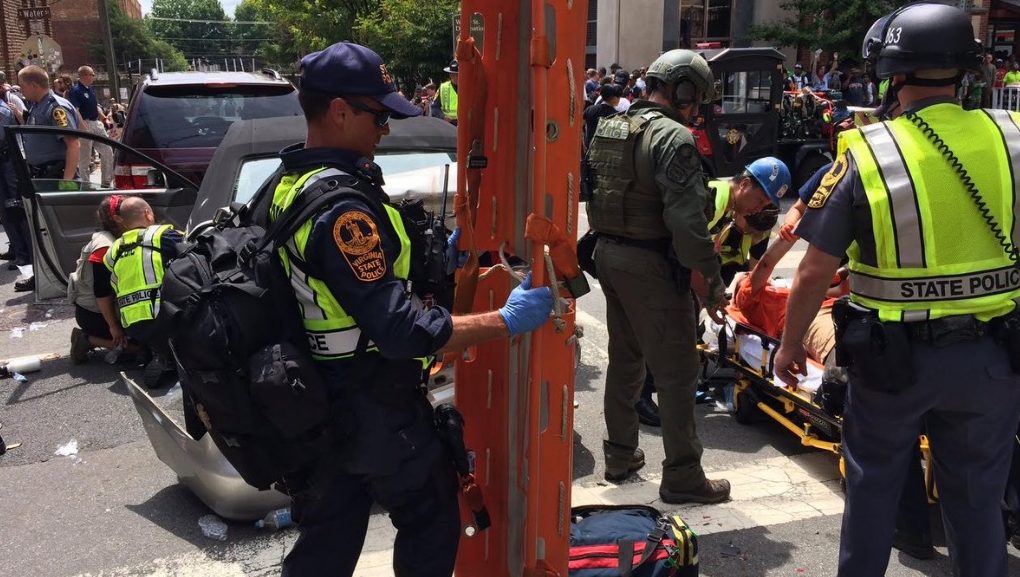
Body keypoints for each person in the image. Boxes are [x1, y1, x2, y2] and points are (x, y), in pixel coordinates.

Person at [272, 42, 553, 577]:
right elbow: (401, 330)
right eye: (377, 116)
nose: (385, 129)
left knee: (330, 535)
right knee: (429, 515)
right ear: (338, 111)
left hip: (313, 399)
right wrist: (504, 320)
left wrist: (440, 261)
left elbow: (343, 280)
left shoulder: (287, 186)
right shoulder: (343, 210)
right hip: (369, 400)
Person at [774, 4, 1020, 575]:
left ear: (893, 72)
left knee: (872, 495)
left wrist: (789, 346)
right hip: (992, 361)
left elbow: (813, 271)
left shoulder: (868, 151)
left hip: (893, 366)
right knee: (977, 503)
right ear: (966, 69)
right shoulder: (1011, 138)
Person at [586, 49, 733, 504]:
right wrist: (711, 285)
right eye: (695, 99)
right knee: (678, 372)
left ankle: (621, 454)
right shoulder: (674, 138)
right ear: (684, 89)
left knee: (626, 358)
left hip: (608, 254)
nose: (696, 109)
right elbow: (689, 229)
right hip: (651, 263)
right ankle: (684, 474)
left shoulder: (611, 125)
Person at [99, 195, 183, 383]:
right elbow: (191, 250)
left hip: (131, 324)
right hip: (162, 318)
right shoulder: (161, 235)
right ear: (148, 214)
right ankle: (169, 358)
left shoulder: (113, 250)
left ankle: (152, 351)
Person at [15, 65, 79, 293]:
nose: (21, 91)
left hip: (56, 175)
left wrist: (68, 181)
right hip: (42, 175)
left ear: (33, 85)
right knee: (40, 229)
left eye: (22, 86)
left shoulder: (55, 108)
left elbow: (73, 143)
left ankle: (67, 278)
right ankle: (45, 277)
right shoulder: (37, 107)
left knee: (57, 230)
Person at [69, 195, 138, 363]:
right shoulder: (105, 247)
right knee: (144, 350)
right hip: (95, 314)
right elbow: (102, 292)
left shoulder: (122, 237)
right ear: (119, 219)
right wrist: (114, 327)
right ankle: (86, 339)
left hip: (112, 308)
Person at [68, 66, 113, 187]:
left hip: (96, 123)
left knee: (108, 151)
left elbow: (96, 106)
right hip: (85, 123)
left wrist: (104, 118)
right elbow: (75, 110)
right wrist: (83, 126)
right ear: (85, 75)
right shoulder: (76, 91)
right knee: (85, 158)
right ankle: (86, 184)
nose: (94, 77)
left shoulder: (90, 90)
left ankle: (106, 181)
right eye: (92, 74)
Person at [583, 83, 622, 149]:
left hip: (588, 146)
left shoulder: (590, 109)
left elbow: (580, 125)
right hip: (603, 152)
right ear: (614, 98)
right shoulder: (616, 115)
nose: (619, 99)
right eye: (618, 96)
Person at [432, 59, 458, 124]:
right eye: (452, 74)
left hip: (465, 124)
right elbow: (435, 108)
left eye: (457, 74)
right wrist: (442, 117)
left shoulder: (469, 87)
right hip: (448, 124)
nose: (455, 77)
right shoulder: (443, 87)